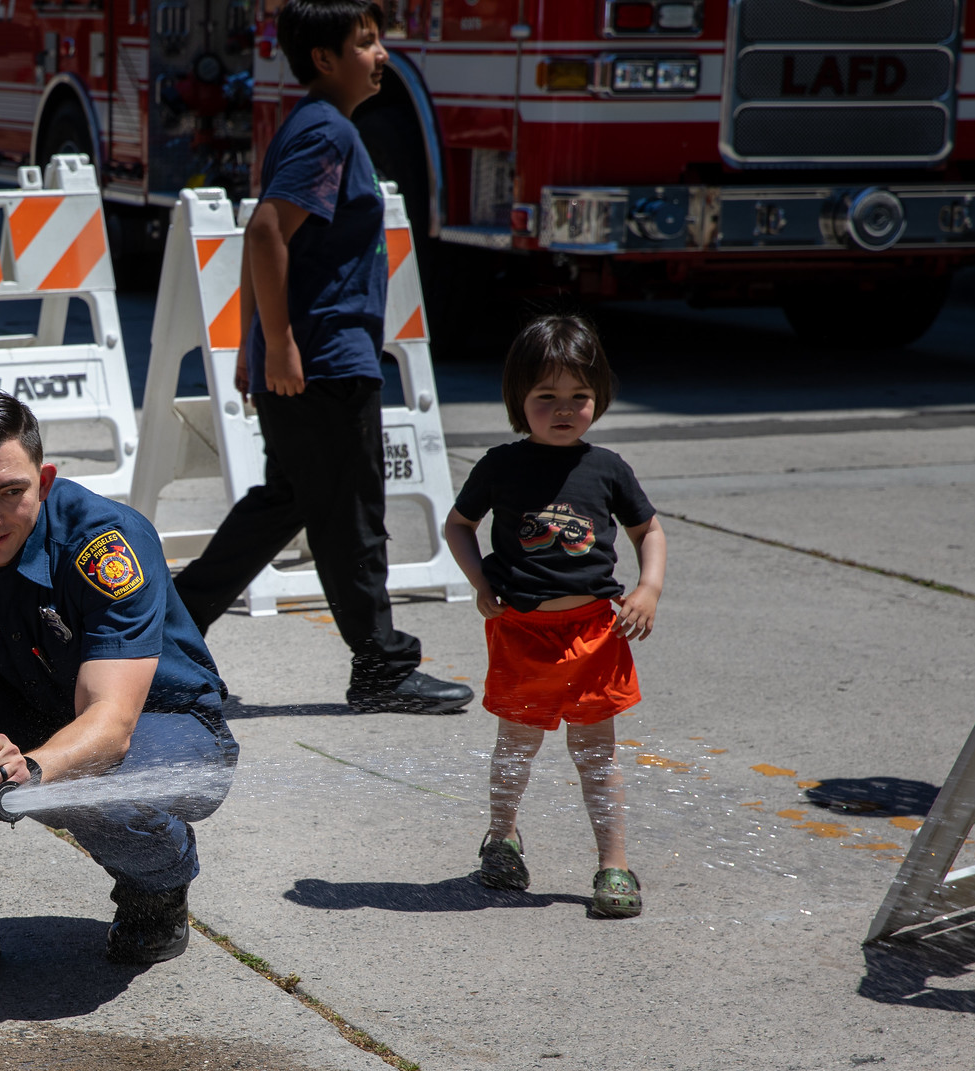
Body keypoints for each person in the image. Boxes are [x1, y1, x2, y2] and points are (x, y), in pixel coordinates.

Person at [0, 389, 241, 998]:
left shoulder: (107, 543)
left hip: (165, 730)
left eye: (12, 492)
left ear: (46, 477)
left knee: (76, 783)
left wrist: (29, 769)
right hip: (25, 716)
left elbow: (110, 725)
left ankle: (157, 885)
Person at [171, 0, 470, 717]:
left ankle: (165, 626)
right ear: (325, 59)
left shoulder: (321, 127)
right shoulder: (327, 132)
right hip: (326, 361)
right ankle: (381, 667)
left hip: (320, 357)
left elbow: (273, 238)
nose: (383, 54)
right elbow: (267, 232)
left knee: (293, 503)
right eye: (366, 43)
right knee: (351, 516)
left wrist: (260, 343)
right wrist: (274, 344)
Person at [441, 315, 667, 919]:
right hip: (522, 631)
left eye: (579, 397)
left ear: (599, 399)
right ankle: (502, 837)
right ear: (519, 401)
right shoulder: (500, 464)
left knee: (596, 756)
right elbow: (458, 526)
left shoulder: (608, 467)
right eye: (547, 398)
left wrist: (649, 588)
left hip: (596, 632)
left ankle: (613, 863)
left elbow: (649, 530)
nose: (564, 410)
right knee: (516, 747)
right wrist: (480, 581)